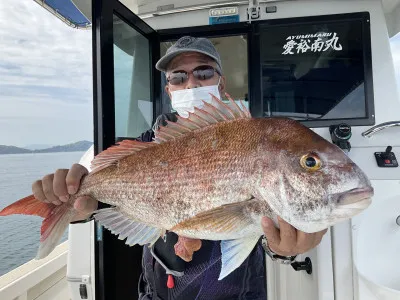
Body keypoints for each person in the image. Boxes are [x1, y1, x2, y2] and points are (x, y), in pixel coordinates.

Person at [31, 36, 327, 299]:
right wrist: (81, 207)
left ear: (220, 83)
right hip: (155, 293)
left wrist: (285, 250)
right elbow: (101, 201)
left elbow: (259, 230)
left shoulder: (251, 139)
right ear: (169, 89)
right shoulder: (143, 147)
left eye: (203, 72)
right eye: (178, 77)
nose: (192, 83)